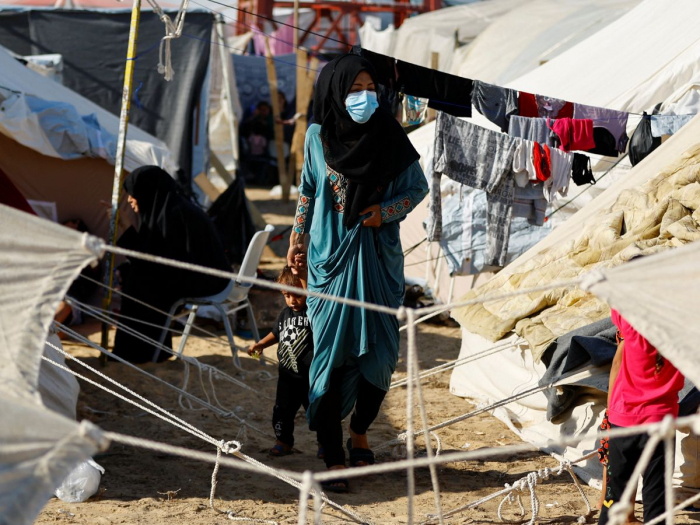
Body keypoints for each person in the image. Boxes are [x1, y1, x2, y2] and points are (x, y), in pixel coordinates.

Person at [287, 53, 428, 492]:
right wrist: (297, 237)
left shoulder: (389, 134)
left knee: (381, 360)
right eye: (354, 89)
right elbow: (309, 190)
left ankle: (360, 431)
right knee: (327, 361)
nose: (364, 97)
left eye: (370, 88)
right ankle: (332, 456)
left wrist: (383, 213)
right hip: (329, 264)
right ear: (335, 91)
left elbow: (417, 188)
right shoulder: (316, 137)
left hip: (379, 264)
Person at [112, 166, 230, 363]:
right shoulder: (171, 208)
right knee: (135, 274)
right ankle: (149, 351)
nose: (130, 200)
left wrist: (126, 229)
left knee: (140, 283)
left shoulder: (174, 214)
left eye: (133, 194)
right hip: (205, 276)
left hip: (207, 281)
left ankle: (140, 354)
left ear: (147, 192)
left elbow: (158, 264)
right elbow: (158, 259)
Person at [598, 309, 685, 524]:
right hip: (661, 423)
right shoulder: (684, 330)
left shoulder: (632, 325)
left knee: (615, 495)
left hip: (623, 421)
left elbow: (618, 300)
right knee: (657, 497)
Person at [246, 265, 317, 457]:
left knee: (318, 413)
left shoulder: (315, 313)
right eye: (287, 295)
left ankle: (325, 444)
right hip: (287, 376)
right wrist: (260, 344)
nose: (292, 301)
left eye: (297, 295)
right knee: (282, 410)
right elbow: (276, 333)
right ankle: (283, 441)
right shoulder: (284, 314)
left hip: (311, 377)